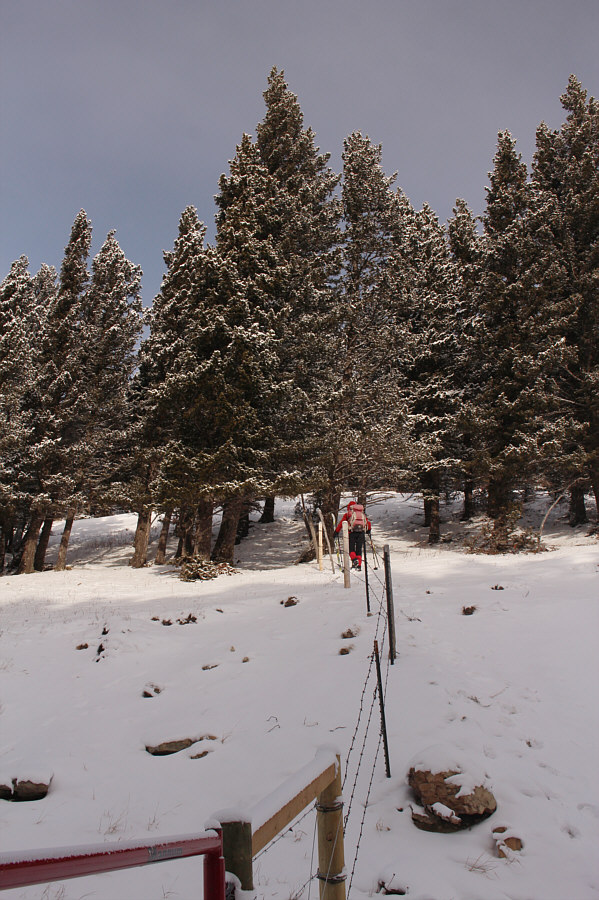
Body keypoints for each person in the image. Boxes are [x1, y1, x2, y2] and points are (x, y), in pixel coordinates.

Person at [335, 500, 371, 570]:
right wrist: (368, 530)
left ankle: (354, 560)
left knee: (351, 549)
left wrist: (336, 531)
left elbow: (342, 523)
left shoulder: (348, 514)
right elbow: (367, 523)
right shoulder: (361, 514)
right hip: (361, 533)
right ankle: (359, 565)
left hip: (351, 533)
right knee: (359, 549)